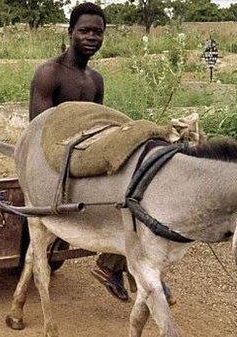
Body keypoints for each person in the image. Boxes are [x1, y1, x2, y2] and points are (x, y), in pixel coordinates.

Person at [28, 2, 170, 304]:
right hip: (55, 162)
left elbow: (100, 125)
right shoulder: (49, 74)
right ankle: (126, 268)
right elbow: (39, 130)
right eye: (84, 31)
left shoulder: (95, 80)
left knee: (134, 193)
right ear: (70, 33)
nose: (92, 37)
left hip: (87, 157)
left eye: (98, 32)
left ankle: (116, 265)